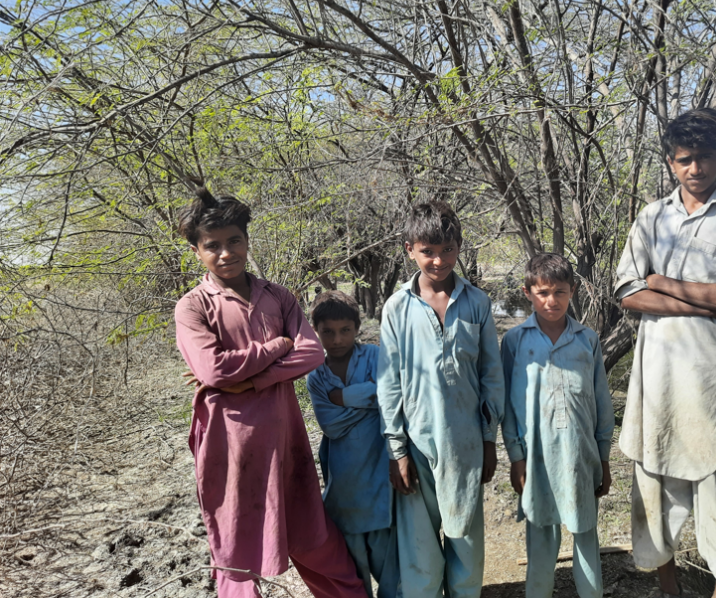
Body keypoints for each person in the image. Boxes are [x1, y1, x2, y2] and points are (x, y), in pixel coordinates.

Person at [173, 187, 367, 598]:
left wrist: (252, 381)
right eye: (213, 246)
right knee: (236, 552)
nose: (226, 253)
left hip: (285, 443)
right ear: (196, 251)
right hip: (231, 447)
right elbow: (213, 369)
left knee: (315, 539)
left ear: (247, 239)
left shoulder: (278, 297)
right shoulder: (193, 307)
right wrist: (278, 346)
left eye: (234, 241)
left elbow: (311, 352)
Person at [614, 108, 716, 598]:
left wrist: (661, 281)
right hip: (658, 377)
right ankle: (669, 589)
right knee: (655, 486)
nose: (695, 168)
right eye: (684, 159)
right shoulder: (651, 218)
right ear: (670, 162)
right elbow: (628, 292)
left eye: (704, 156)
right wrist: (704, 303)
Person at [376, 200, 505, 598]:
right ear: (409, 250)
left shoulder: (477, 303)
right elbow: (389, 382)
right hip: (416, 443)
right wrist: (397, 449)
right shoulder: (397, 307)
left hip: (466, 443)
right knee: (420, 550)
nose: (439, 260)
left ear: (459, 247)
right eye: (428, 251)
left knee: (466, 541)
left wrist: (488, 438)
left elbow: (491, 375)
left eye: (448, 249)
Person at [501, 253, 615, 598]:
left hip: (581, 456)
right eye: (543, 293)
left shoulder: (587, 340)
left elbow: (601, 401)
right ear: (527, 293)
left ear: (573, 291)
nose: (552, 301)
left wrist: (604, 457)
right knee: (540, 539)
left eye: (560, 292)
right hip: (536, 458)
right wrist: (516, 457)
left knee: (585, 534)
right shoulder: (515, 341)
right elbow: (508, 406)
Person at [307, 291, 401, 598]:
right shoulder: (317, 375)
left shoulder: (374, 355)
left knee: (387, 555)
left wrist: (344, 397)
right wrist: (370, 401)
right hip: (344, 477)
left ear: (357, 327)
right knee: (353, 558)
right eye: (328, 332)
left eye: (345, 330)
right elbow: (331, 425)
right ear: (316, 331)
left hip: (379, 468)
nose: (337, 339)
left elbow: (390, 397)